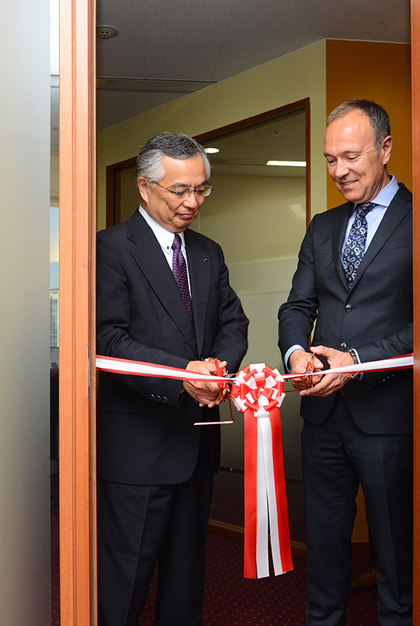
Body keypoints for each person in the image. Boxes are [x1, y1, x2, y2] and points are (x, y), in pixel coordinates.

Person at [96, 132, 249, 625]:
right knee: (125, 581)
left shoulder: (208, 252)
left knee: (187, 580)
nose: (192, 202)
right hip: (139, 447)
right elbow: (108, 339)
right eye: (179, 190)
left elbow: (233, 324)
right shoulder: (110, 249)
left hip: (196, 442)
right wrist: (181, 373)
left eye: (201, 190)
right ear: (145, 187)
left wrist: (217, 371)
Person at [278, 99, 413, 626]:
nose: (340, 171)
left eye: (351, 157)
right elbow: (298, 305)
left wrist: (356, 361)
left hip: (388, 418)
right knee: (327, 550)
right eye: (331, 159)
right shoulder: (323, 225)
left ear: (385, 149)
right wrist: (297, 354)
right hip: (323, 419)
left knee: (394, 555)